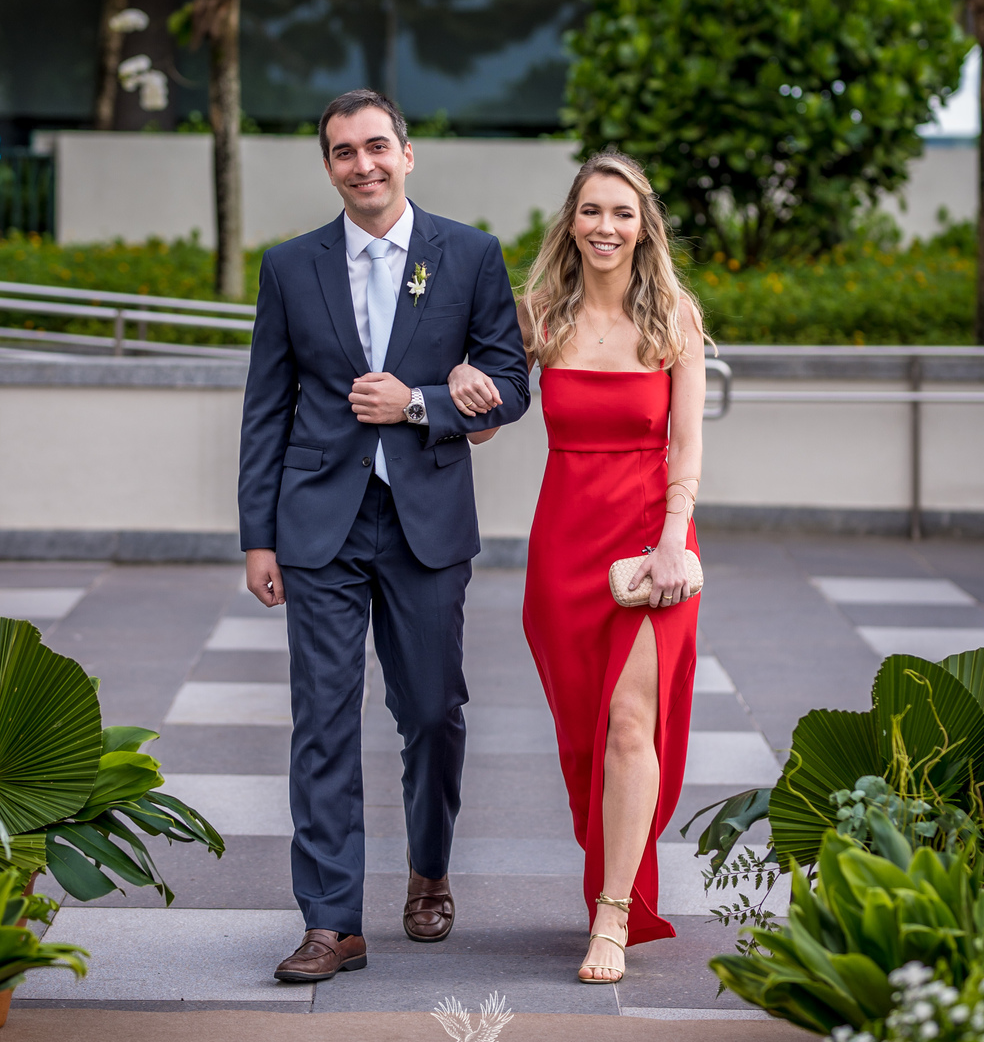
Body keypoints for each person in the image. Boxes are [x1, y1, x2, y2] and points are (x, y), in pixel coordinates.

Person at [239, 89, 531, 985]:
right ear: (328, 166)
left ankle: (429, 866)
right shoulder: (291, 267)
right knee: (322, 721)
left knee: (433, 712)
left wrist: (422, 404)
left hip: (426, 522)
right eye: (342, 152)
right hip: (318, 523)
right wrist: (259, 535)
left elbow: (512, 383)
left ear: (408, 154)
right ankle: (332, 923)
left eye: (376, 147)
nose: (361, 165)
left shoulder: (470, 254)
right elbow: (266, 407)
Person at [451, 151, 705, 983]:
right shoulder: (541, 317)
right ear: (572, 222)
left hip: (649, 546)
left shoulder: (674, 317)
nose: (606, 227)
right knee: (583, 741)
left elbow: (688, 449)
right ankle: (612, 868)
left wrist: (674, 538)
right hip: (562, 550)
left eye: (622, 213)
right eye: (592, 211)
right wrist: (466, 386)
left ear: (644, 225)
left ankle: (613, 913)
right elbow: (489, 421)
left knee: (632, 726)